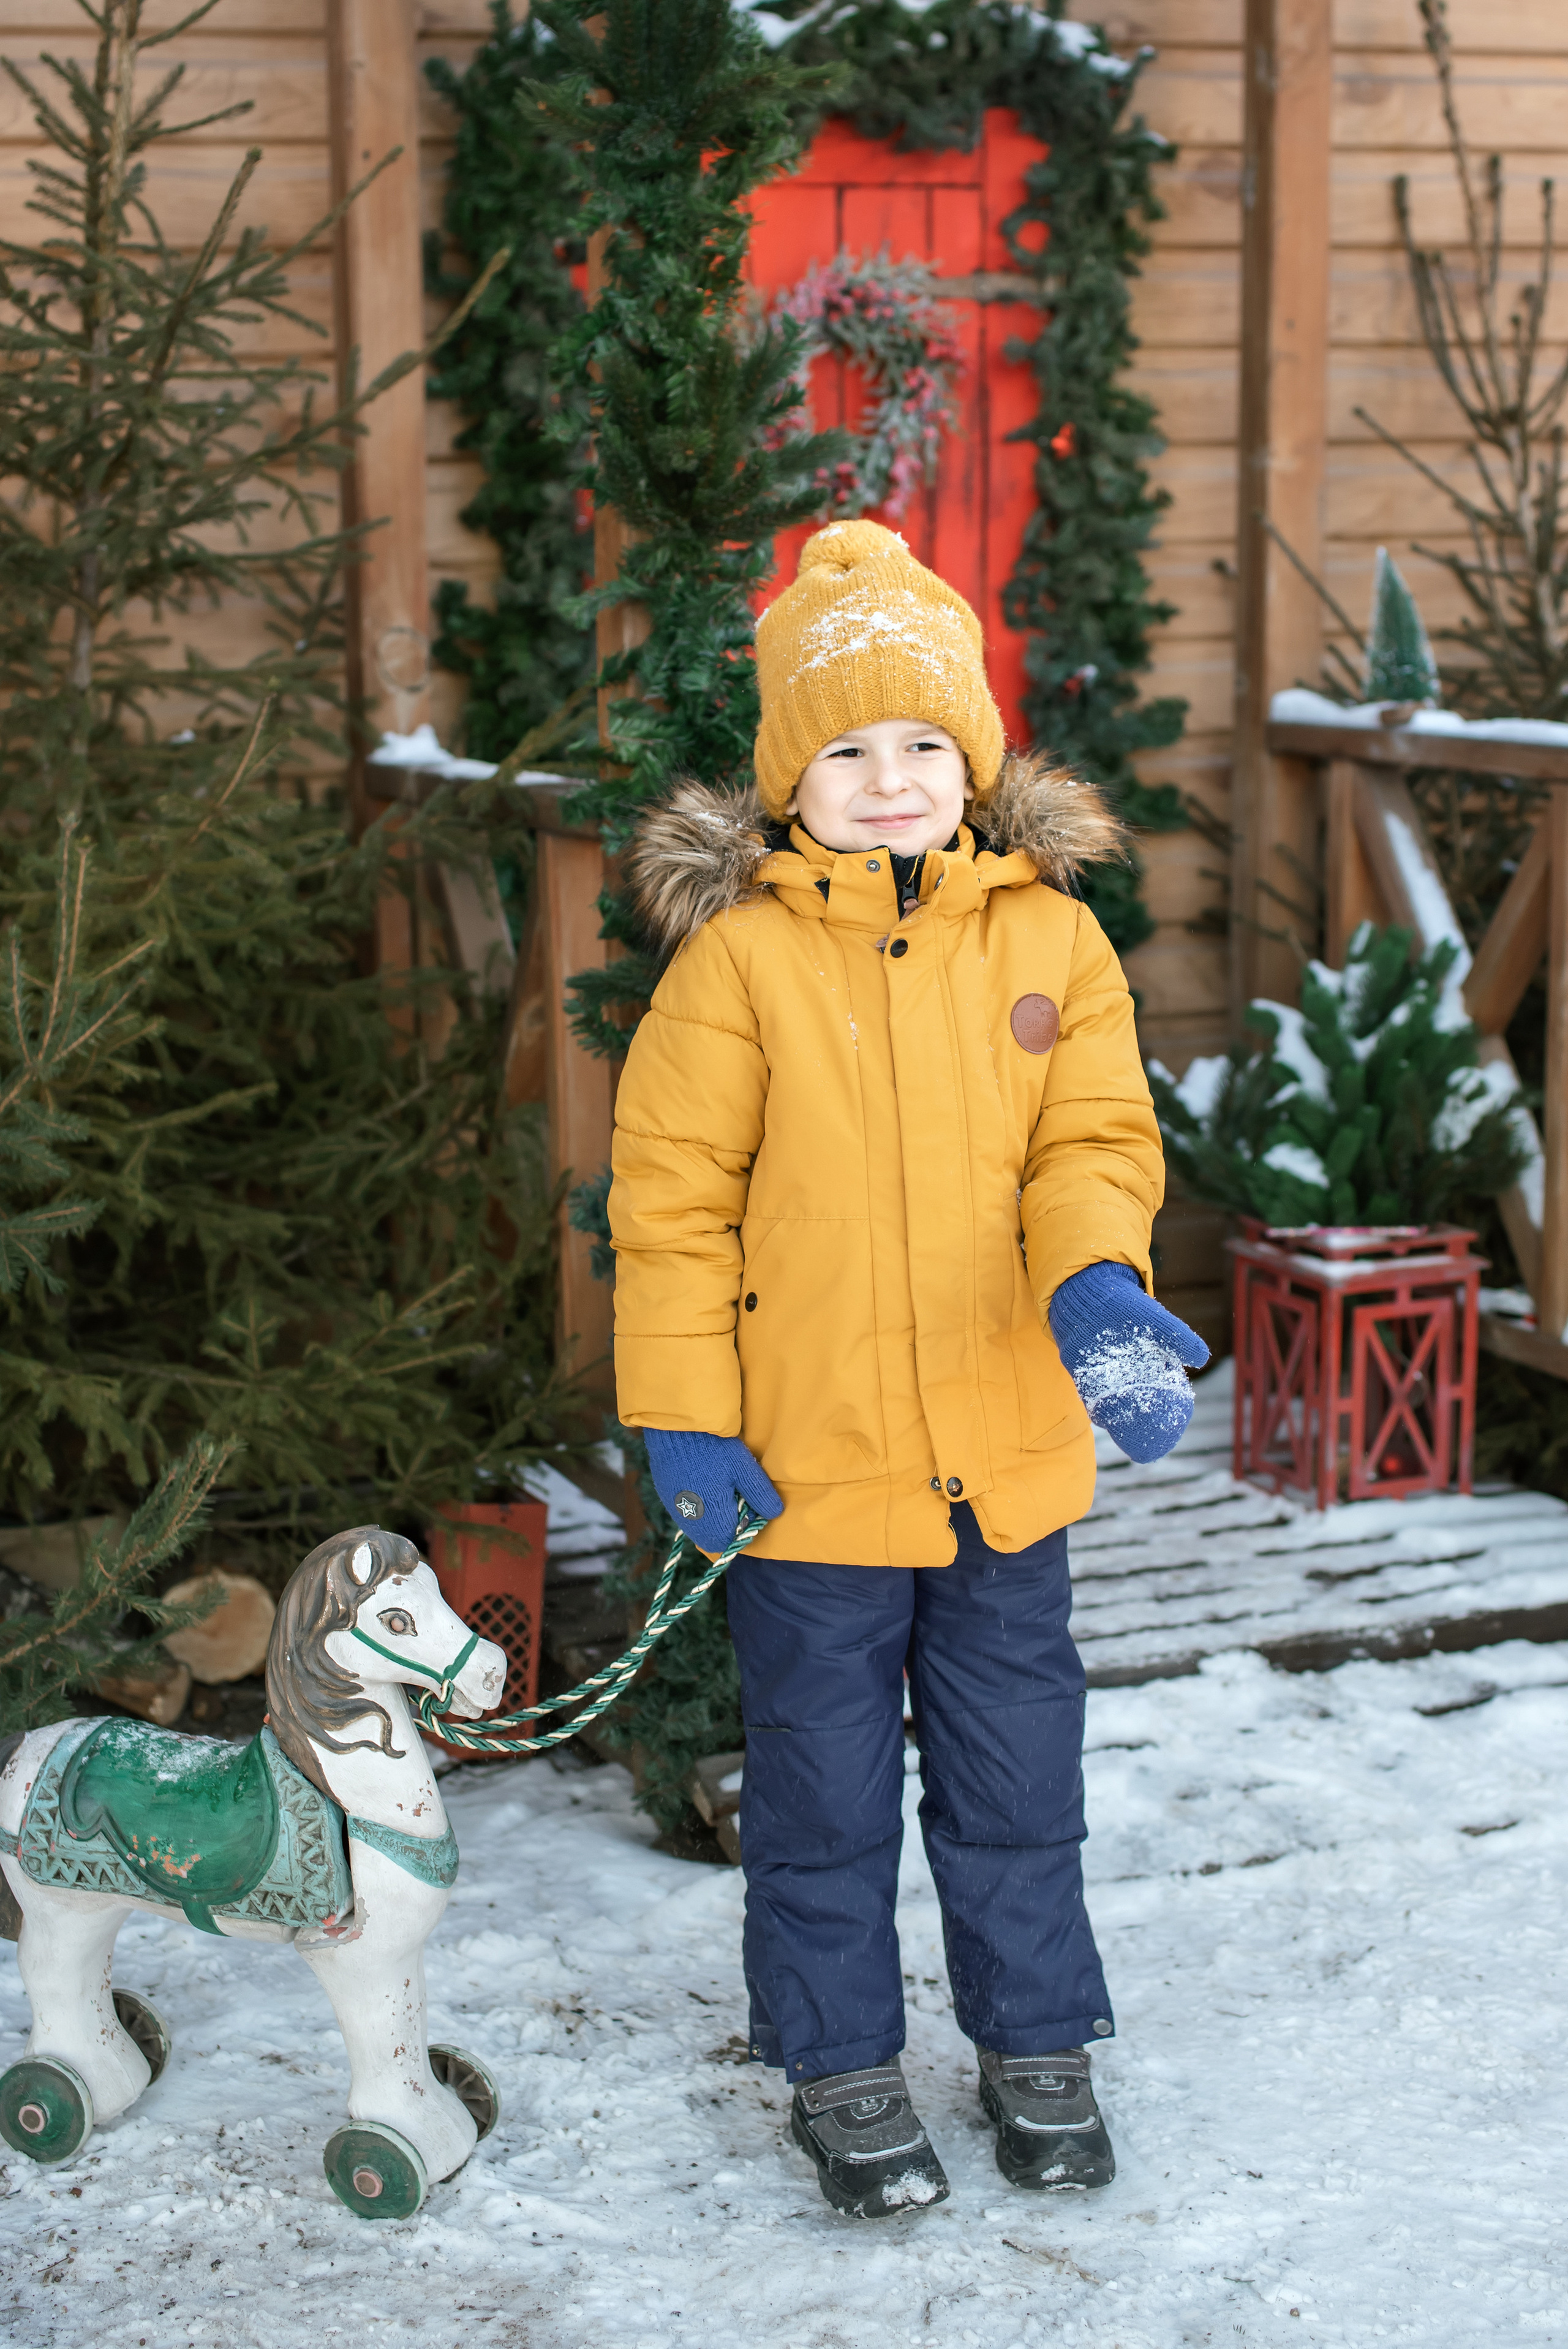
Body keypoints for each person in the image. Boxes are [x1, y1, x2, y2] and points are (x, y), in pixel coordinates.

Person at [608, 521, 1207, 2219]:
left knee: (1020, 1776)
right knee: (820, 1791)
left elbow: (1093, 1142)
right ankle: (842, 2060)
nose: (891, 779)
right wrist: (683, 1414)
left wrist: (1095, 1280)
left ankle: (1036, 2037)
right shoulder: (737, 965)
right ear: (794, 776)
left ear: (977, 761)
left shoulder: (1054, 948)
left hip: (1005, 1460)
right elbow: (667, 1204)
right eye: (850, 747)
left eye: (925, 743)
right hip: (804, 1471)